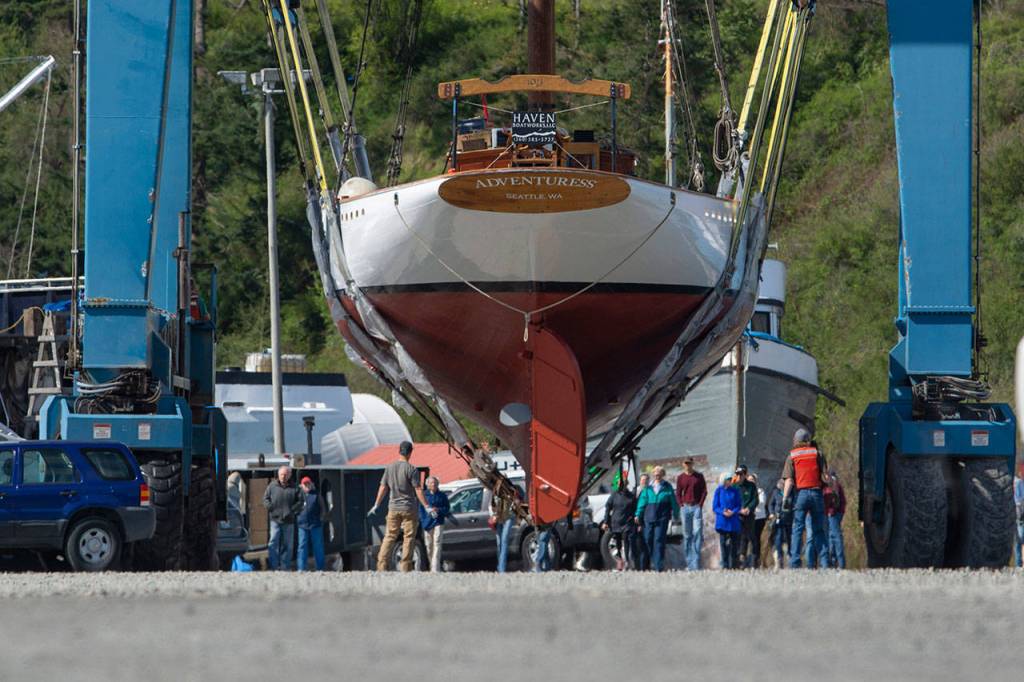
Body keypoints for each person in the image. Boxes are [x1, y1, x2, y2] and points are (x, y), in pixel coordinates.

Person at [368, 441, 433, 572]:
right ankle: (406, 566)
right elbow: (418, 489)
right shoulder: (411, 469)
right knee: (408, 537)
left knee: (389, 536)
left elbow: (383, 487)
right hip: (409, 508)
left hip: (393, 508)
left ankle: (381, 565)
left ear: (399, 451)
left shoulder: (389, 468)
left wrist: (376, 504)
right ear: (410, 452)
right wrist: (426, 506)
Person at [782, 429, 829, 568]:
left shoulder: (792, 456)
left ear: (795, 441)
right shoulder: (817, 453)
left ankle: (795, 563)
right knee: (819, 530)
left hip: (801, 495)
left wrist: (785, 499)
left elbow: (789, 481)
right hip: (816, 494)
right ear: (808, 440)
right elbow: (825, 477)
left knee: (797, 529)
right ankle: (825, 563)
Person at [634, 466, 678, 571]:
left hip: (662, 518)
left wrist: (676, 514)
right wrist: (637, 514)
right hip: (649, 517)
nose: (657, 474)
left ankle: (658, 566)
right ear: (653, 474)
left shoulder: (667, 487)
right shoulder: (648, 488)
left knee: (659, 540)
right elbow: (642, 502)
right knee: (647, 540)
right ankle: (646, 566)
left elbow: (673, 501)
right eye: (655, 473)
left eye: (659, 472)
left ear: (663, 474)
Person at [263, 466, 305, 571]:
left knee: (288, 545)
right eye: (281, 474)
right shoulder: (272, 486)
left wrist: (292, 511)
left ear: (289, 475)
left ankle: (285, 566)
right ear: (278, 475)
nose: (283, 476)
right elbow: (265, 499)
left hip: (289, 521)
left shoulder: (295, 487)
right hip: (275, 520)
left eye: (285, 474)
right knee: (273, 543)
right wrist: (271, 507)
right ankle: (274, 566)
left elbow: (300, 501)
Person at [675, 457, 707, 571]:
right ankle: (689, 563)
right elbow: (678, 492)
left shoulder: (699, 476)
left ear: (693, 464)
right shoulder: (680, 478)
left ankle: (696, 563)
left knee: (697, 532)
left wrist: (700, 504)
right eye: (686, 463)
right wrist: (681, 505)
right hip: (685, 507)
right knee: (687, 535)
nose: (688, 465)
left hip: (696, 507)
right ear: (683, 464)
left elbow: (704, 491)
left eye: (690, 463)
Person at [602, 471, 637, 570]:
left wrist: (635, 519)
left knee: (626, 540)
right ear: (618, 484)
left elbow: (635, 509)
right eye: (620, 484)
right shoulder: (614, 495)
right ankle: (620, 561)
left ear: (627, 484)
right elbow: (608, 508)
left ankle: (627, 562)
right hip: (616, 521)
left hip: (627, 522)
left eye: (624, 484)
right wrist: (605, 522)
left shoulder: (631, 496)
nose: (622, 485)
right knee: (617, 542)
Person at [419, 475, 451, 572]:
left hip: (438, 522)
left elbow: (447, 508)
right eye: (432, 483)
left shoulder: (442, 496)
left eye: (435, 483)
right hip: (427, 523)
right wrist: (423, 520)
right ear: (427, 484)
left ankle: (435, 568)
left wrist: (438, 510)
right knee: (429, 546)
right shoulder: (424, 496)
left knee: (437, 543)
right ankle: (431, 564)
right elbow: (420, 510)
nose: (434, 484)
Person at [712, 471, 742, 569]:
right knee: (723, 544)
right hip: (723, 521)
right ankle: (725, 565)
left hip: (733, 521)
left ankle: (733, 564)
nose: (730, 481)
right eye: (728, 479)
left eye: (730, 479)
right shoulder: (718, 491)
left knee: (734, 545)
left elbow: (738, 505)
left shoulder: (735, 491)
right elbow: (715, 507)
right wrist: (722, 511)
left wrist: (733, 512)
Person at [296, 476, 326, 571]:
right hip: (302, 525)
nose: (307, 486)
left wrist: (322, 518)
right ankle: (301, 568)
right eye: (305, 484)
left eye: (308, 484)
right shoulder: (298, 496)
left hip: (315, 525)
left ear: (311, 484)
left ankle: (320, 568)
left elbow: (323, 508)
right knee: (302, 547)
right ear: (302, 486)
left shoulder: (316, 495)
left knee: (318, 547)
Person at [734, 464, 759, 567]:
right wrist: (739, 510)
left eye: (741, 474)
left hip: (749, 516)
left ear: (745, 474)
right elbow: (732, 501)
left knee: (751, 537)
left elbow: (755, 499)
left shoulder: (751, 486)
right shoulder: (734, 486)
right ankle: (739, 562)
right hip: (738, 516)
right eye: (737, 474)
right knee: (739, 538)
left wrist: (748, 508)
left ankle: (753, 561)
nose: (739, 476)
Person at [823, 469, 847, 569]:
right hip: (832, 515)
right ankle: (835, 563)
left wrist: (832, 513)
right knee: (833, 539)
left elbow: (836, 501)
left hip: (831, 515)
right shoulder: (836, 485)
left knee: (834, 538)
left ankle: (838, 563)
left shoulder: (831, 485)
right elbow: (843, 502)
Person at [490, 486, 516, 573]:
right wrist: (493, 515)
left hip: (508, 517)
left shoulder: (511, 491)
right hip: (498, 519)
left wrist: (512, 511)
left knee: (504, 540)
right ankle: (500, 566)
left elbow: (515, 503)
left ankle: (502, 568)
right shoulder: (495, 492)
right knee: (499, 543)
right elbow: (491, 505)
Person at [766, 478, 791, 569]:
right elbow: (770, 504)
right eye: (781, 484)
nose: (782, 485)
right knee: (778, 538)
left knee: (789, 538)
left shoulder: (791, 493)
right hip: (778, 519)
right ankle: (779, 558)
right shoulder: (775, 493)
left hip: (788, 519)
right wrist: (771, 513)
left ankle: (790, 557)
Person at [633, 473, 651, 570]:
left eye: (646, 480)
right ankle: (638, 567)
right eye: (643, 480)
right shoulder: (635, 492)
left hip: (647, 521)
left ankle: (645, 567)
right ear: (640, 481)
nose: (644, 482)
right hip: (636, 521)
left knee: (646, 544)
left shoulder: (650, 491)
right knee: (637, 545)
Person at [750, 472, 768, 569]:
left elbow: (762, 503)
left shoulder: (760, 491)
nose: (750, 482)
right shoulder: (746, 491)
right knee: (747, 539)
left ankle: (755, 561)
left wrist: (751, 503)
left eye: (752, 480)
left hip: (759, 518)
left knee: (756, 539)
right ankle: (747, 560)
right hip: (748, 517)